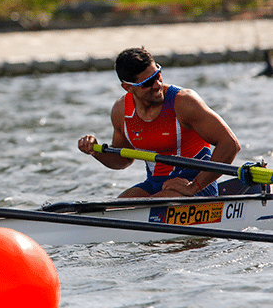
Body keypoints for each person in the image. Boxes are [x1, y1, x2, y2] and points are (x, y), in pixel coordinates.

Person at [78, 47, 240, 198]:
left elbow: (230, 144)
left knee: (142, 208)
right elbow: (123, 160)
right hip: (154, 184)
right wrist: (96, 152)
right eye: (147, 83)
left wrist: (194, 186)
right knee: (113, 207)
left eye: (158, 75)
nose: (157, 85)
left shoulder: (184, 103)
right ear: (128, 87)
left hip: (197, 186)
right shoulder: (122, 112)